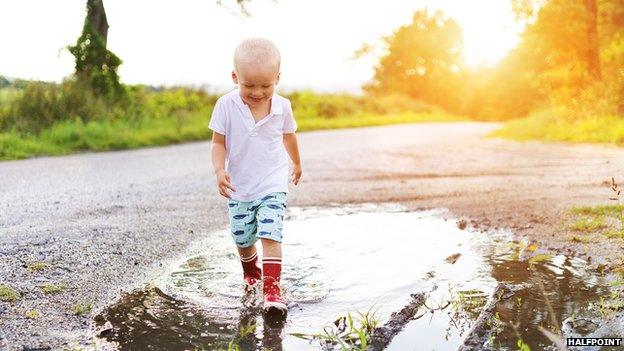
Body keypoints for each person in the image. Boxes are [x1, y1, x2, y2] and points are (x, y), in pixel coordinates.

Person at [209, 37, 302, 313]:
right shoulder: (226, 105)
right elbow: (218, 142)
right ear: (235, 76)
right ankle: (251, 271)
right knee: (242, 236)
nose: (258, 92)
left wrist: (296, 163)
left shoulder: (282, 106)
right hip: (240, 187)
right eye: (249, 85)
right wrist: (219, 169)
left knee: (271, 231)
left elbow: (289, 136)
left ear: (278, 78)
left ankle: (272, 289)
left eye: (266, 85)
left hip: (272, 182)